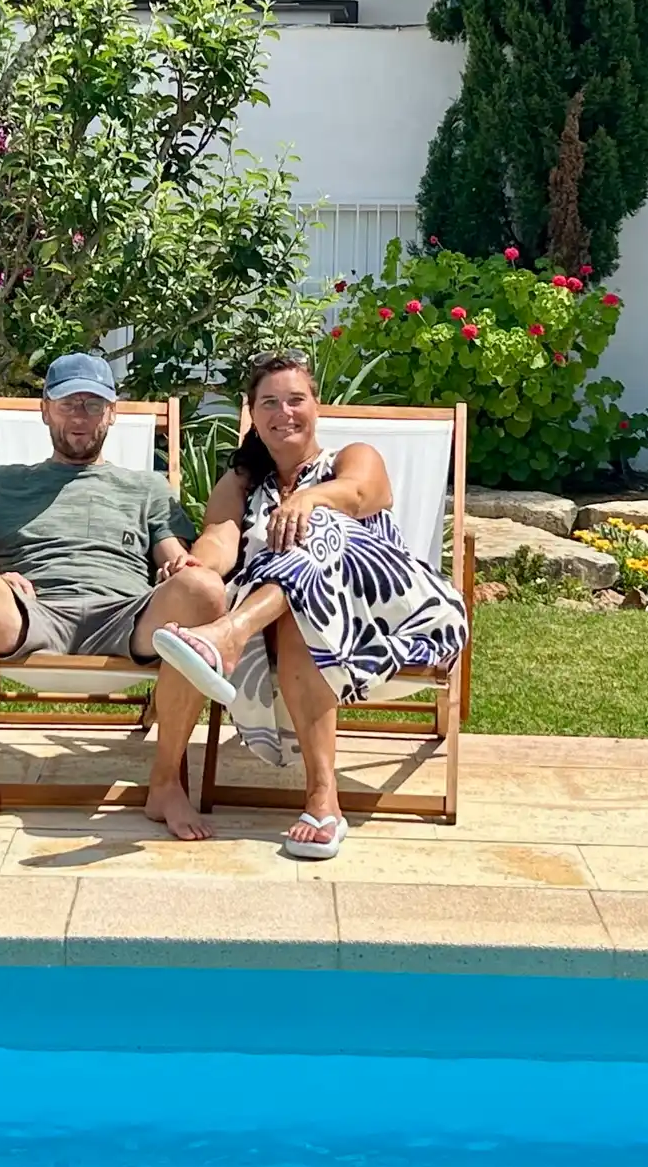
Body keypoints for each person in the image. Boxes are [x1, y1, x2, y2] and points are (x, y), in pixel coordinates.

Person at [149, 351, 469, 859]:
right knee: (300, 609)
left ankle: (229, 635)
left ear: (317, 406)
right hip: (308, 627)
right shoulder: (242, 484)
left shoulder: (352, 458)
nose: (285, 413)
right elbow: (220, 541)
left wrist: (307, 500)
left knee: (318, 527)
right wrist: (195, 565)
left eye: (296, 400)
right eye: (269, 403)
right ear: (253, 415)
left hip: (398, 619)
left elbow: (359, 494)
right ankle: (323, 803)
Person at [0, 351, 227, 842]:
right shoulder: (4, 482)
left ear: (112, 414)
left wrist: (177, 566)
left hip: (124, 616)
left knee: (204, 588)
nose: (81, 416)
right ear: (45, 410)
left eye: (93, 405)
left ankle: (165, 784)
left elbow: (174, 556)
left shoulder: (146, 487)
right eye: (68, 403)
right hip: (32, 615)